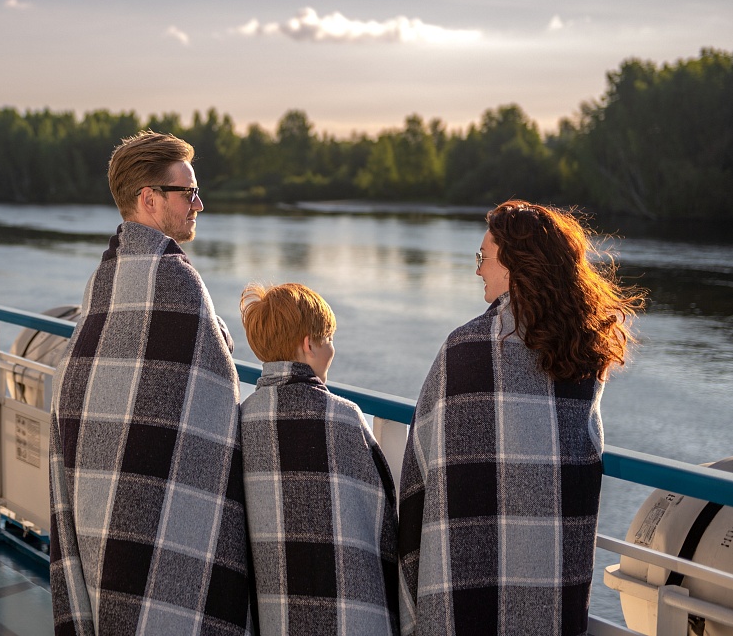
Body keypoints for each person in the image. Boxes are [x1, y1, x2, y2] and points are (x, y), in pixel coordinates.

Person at [398, 200, 645, 636]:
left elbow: (418, 474)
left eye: (483, 258)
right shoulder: (584, 354)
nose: (478, 270)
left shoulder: (464, 349)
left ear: (513, 265)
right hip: (553, 590)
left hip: (463, 593)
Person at [47, 131, 253, 635]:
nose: (199, 204)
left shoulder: (106, 275)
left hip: (100, 496)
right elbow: (215, 392)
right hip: (155, 502)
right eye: (190, 192)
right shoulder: (176, 280)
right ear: (150, 199)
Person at [239, 282, 400, 636]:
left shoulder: (240, 419)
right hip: (349, 617)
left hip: (272, 614)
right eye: (328, 339)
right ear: (309, 345)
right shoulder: (344, 417)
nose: (332, 349)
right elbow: (383, 521)